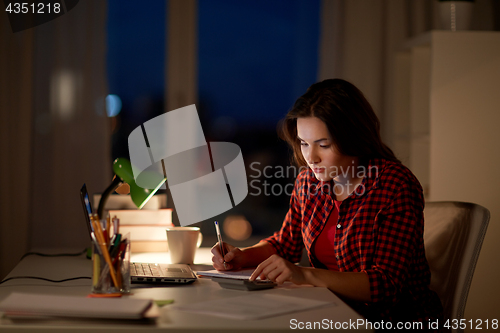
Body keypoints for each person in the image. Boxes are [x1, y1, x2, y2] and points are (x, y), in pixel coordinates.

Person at [211, 78, 443, 324]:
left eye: (324, 145)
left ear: (354, 137)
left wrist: (305, 275)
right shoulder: (308, 182)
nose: (311, 157)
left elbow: (385, 285)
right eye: (303, 143)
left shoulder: (394, 184)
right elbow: (285, 244)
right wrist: (241, 256)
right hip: (331, 312)